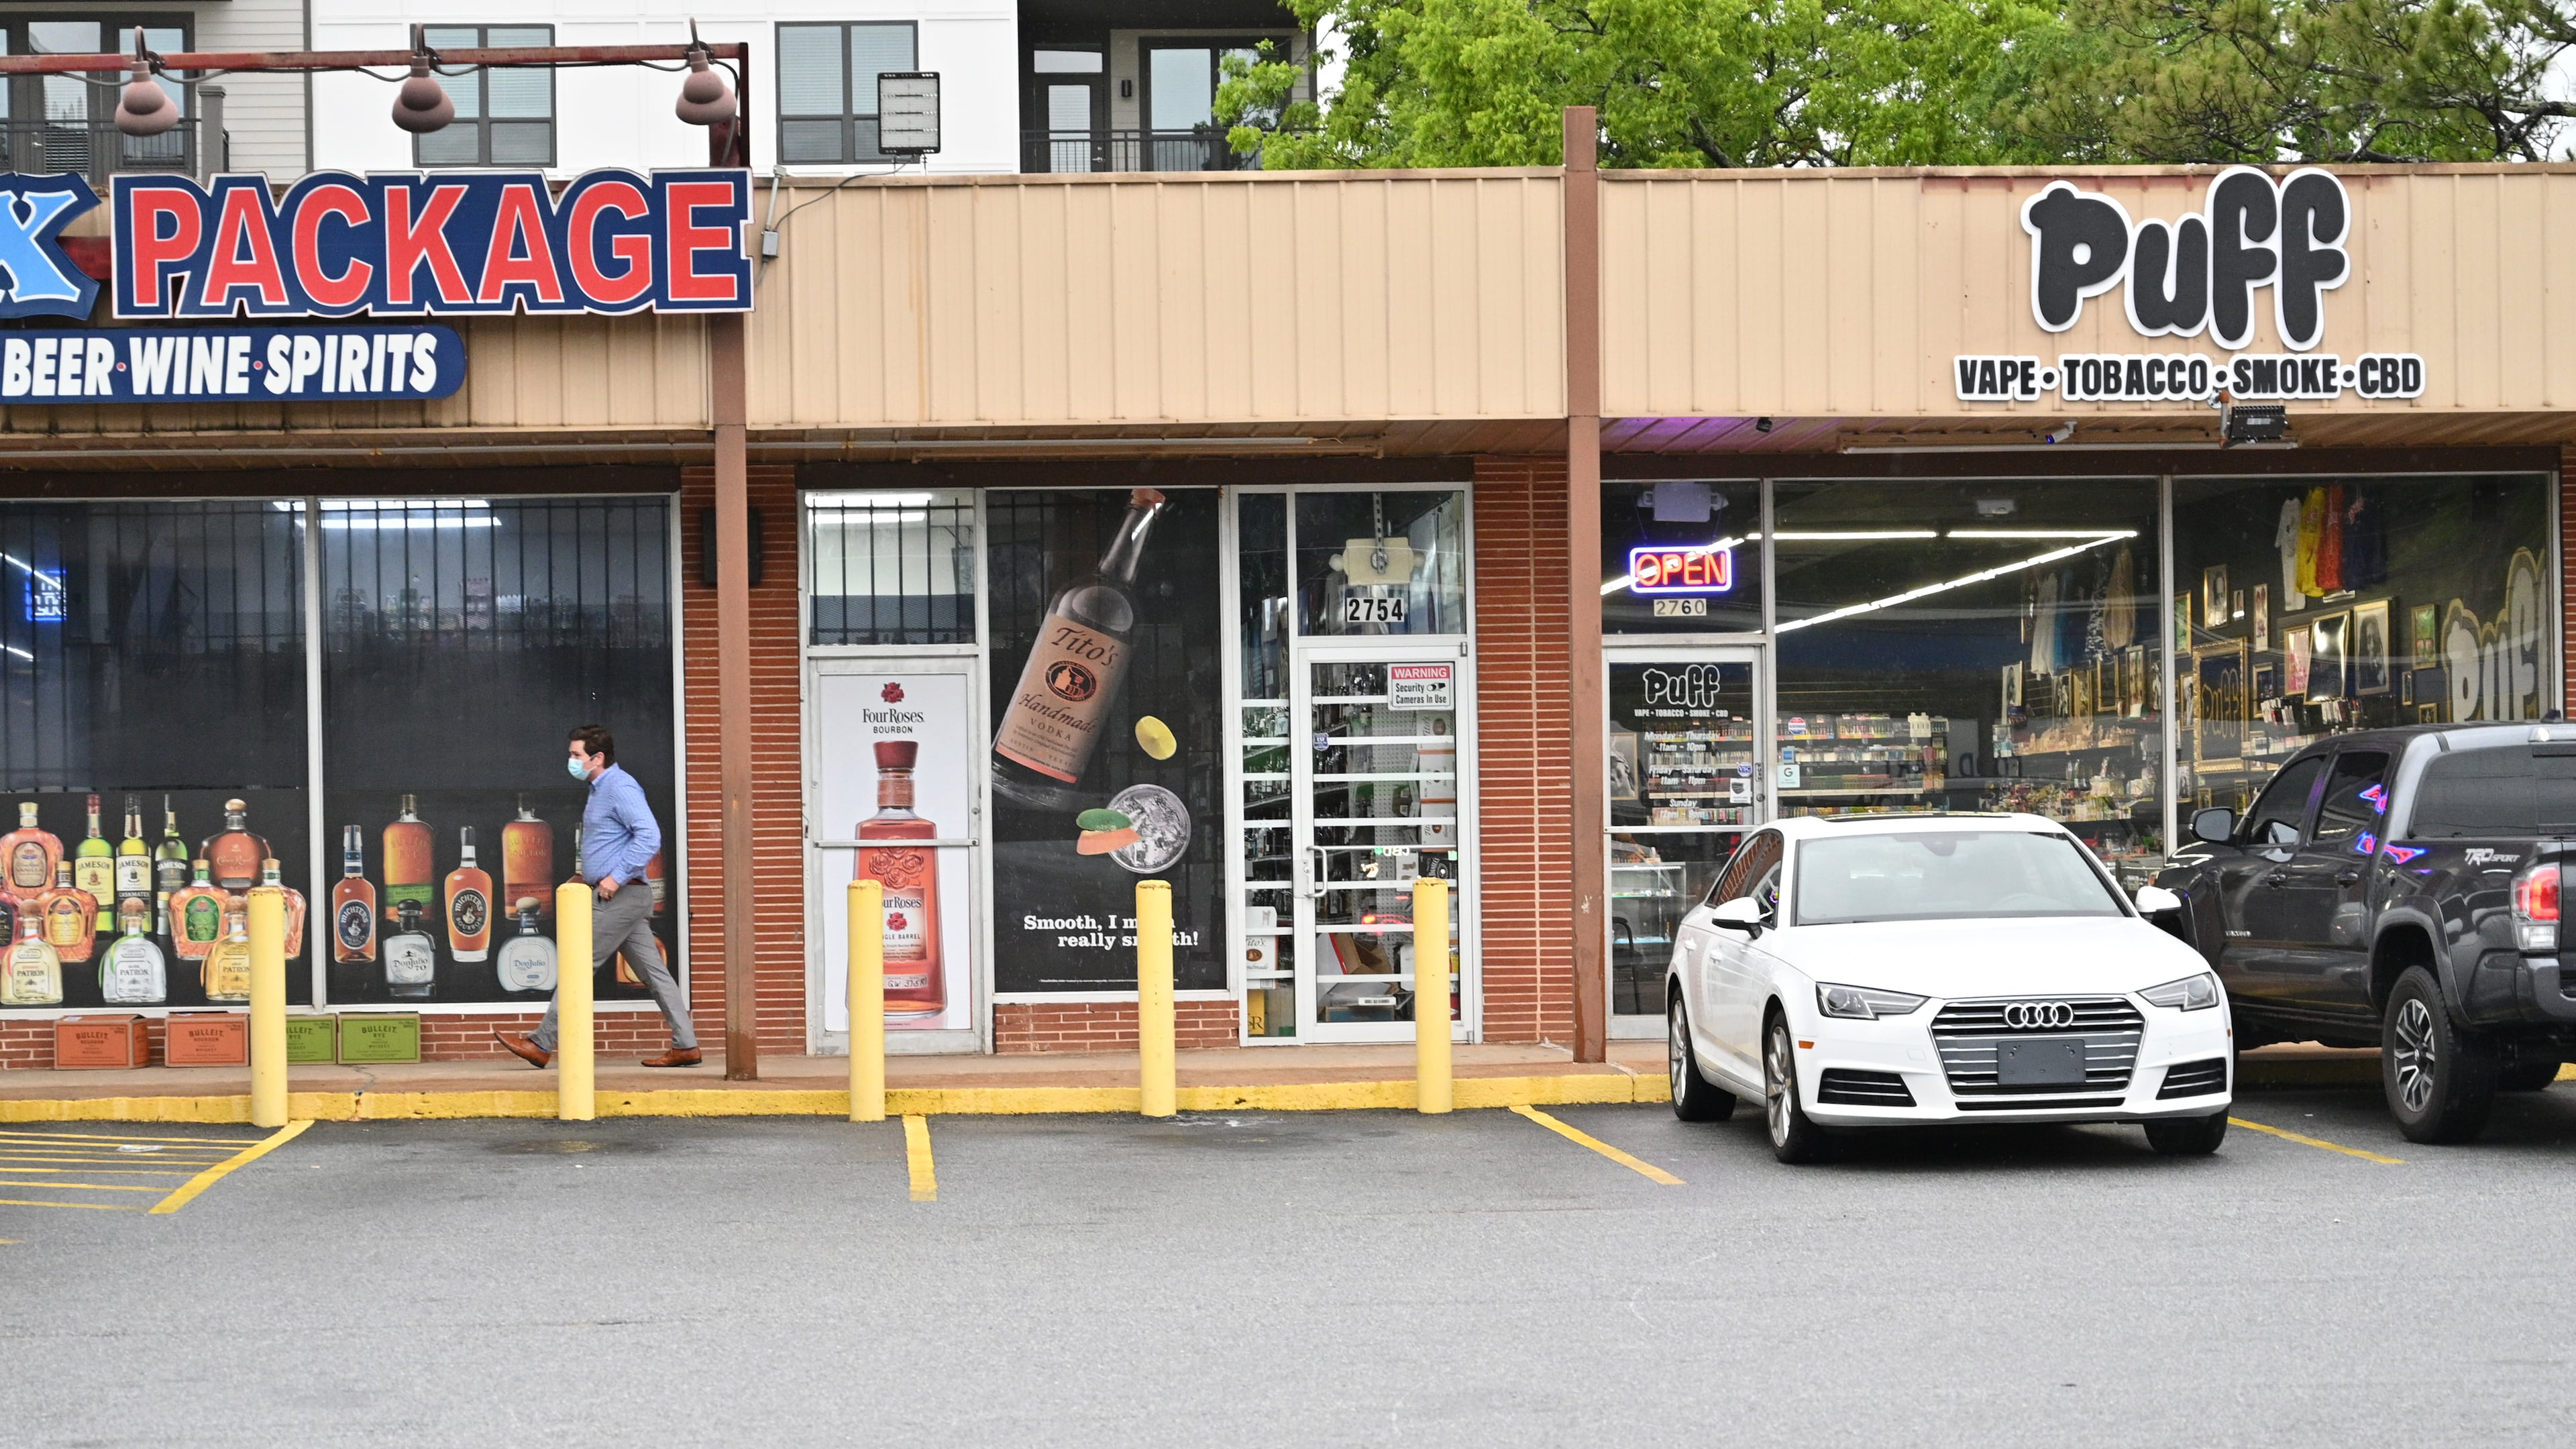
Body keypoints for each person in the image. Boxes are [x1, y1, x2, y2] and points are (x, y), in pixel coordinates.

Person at [498, 724, 700, 1069]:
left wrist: (613, 878)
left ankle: (541, 1043)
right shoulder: (599, 789)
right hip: (626, 898)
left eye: (576, 755)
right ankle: (687, 1046)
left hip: (620, 897)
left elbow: (649, 837)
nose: (571, 761)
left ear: (598, 758)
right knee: (656, 975)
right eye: (571, 755)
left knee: (578, 964)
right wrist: (586, 875)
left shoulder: (619, 787)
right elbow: (609, 842)